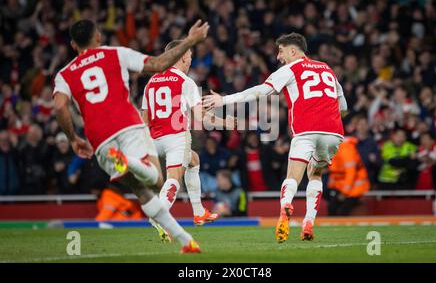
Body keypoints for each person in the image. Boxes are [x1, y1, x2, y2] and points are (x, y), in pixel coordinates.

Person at [53, 19, 209, 253]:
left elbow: (59, 107)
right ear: (98, 37)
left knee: (141, 191)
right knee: (157, 179)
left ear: (74, 45)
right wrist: (190, 40)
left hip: (99, 137)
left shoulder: (64, 74)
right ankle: (132, 162)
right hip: (127, 124)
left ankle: (185, 241)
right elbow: (157, 64)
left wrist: (73, 138)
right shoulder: (115, 53)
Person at [203, 33, 348, 242]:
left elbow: (262, 91)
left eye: (281, 51)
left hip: (307, 129)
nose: (279, 57)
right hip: (333, 132)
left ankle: (286, 207)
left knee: (292, 177)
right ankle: (308, 222)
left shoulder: (291, 68)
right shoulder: (327, 68)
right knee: (315, 175)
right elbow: (342, 107)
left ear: (293, 51)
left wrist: (224, 100)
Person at [141, 39, 235, 228]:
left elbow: (144, 119)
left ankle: (199, 212)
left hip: (154, 139)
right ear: (182, 56)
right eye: (190, 56)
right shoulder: (186, 82)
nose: (191, 60)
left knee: (194, 160)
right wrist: (226, 122)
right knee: (174, 179)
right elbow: (203, 118)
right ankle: (159, 215)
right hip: (176, 138)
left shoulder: (151, 82)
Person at [327, 136, 370, 215]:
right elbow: (334, 170)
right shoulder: (334, 148)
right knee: (331, 207)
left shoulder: (346, 149)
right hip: (342, 186)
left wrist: (344, 193)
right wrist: (331, 187)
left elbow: (351, 173)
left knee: (341, 212)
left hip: (355, 188)